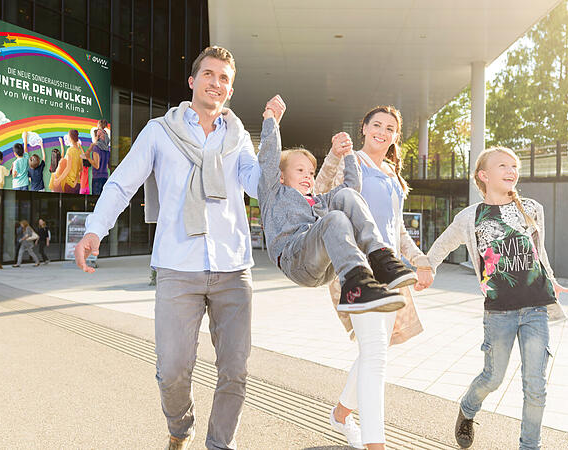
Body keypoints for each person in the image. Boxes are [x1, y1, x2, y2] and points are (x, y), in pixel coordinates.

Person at [73, 46, 260, 450]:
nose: (216, 82)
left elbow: (257, 183)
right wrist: (94, 231)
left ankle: (218, 444)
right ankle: (180, 427)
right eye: (209, 74)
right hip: (178, 264)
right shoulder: (160, 131)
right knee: (173, 369)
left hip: (233, 266)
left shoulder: (239, 137)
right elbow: (123, 183)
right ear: (193, 82)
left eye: (224, 78)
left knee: (235, 371)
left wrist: (291, 173)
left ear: (230, 89)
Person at [426, 146, 568, 450]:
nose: (511, 171)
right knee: (493, 378)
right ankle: (467, 409)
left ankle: (529, 446)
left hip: (536, 307)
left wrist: (552, 280)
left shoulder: (531, 208)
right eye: (503, 165)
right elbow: (442, 246)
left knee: (536, 387)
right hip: (499, 312)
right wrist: (426, 268)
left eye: (514, 166)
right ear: (483, 175)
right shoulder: (470, 217)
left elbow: (538, 251)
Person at [314, 105, 434, 449]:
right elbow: (319, 195)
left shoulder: (393, 174)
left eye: (390, 128)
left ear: (396, 136)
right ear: (364, 128)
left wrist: (420, 262)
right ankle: (374, 444)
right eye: (377, 125)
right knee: (376, 355)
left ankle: (340, 414)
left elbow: (397, 231)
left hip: (389, 272)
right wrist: (334, 158)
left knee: (373, 352)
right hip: (356, 269)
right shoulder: (353, 163)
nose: (383, 131)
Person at [257, 96, 416, 314]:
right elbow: (267, 159)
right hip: (294, 258)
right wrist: (271, 120)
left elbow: (352, 187)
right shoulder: (275, 192)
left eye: (311, 173)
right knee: (336, 218)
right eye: (300, 170)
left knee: (347, 196)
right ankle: (356, 284)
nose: (308, 177)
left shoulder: (319, 201)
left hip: (326, 266)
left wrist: (349, 154)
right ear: (281, 176)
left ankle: (379, 257)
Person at [87, 128, 111, 195]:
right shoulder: (107, 150)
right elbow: (109, 166)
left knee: (96, 200)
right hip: (105, 177)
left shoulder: (96, 148)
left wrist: (88, 158)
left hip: (97, 178)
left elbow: (97, 166)